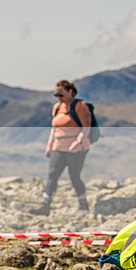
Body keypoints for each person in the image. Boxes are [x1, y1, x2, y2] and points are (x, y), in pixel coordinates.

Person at [30, 80, 90, 216]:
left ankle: (83, 203)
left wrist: (78, 142)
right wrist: (49, 146)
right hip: (59, 147)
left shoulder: (80, 106)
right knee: (52, 175)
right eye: (56, 95)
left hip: (75, 149)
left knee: (74, 176)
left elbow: (86, 127)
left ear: (70, 92)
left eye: (61, 94)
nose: (58, 98)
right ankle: (45, 205)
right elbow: (54, 128)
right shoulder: (57, 108)